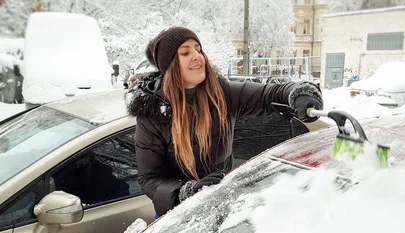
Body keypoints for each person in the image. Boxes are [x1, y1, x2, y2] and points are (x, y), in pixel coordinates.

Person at [127, 27, 323, 218]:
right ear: (169, 66)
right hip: (177, 217)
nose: (197, 56)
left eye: (198, 49)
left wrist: (299, 93)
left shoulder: (222, 95)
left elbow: (269, 94)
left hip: (221, 208)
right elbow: (149, 179)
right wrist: (185, 193)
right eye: (185, 53)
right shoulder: (151, 114)